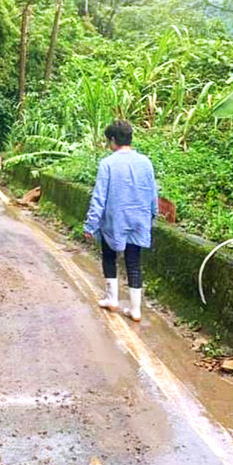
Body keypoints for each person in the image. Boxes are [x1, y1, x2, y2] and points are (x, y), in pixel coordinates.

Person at [83, 120, 158, 322]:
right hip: (138, 220)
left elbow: (99, 198)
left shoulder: (107, 164)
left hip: (114, 221)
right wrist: (152, 214)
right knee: (134, 262)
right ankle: (135, 310)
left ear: (113, 140)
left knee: (109, 257)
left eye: (109, 141)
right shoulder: (146, 162)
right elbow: (153, 193)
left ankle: (112, 300)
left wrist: (90, 225)